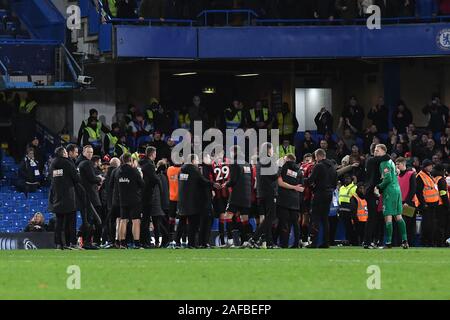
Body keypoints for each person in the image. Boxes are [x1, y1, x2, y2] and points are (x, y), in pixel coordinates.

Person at [178, 154, 218, 248]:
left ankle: (179, 242)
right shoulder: (194, 169)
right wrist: (213, 185)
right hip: (195, 201)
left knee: (184, 222)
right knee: (194, 223)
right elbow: (202, 180)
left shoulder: (182, 170)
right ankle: (195, 243)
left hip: (184, 200)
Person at [374, 144, 409, 249]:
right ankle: (405, 241)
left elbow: (388, 178)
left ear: (384, 151)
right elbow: (396, 173)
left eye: (377, 150)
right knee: (398, 216)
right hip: (397, 190)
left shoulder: (384, 163)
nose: (375, 152)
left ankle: (388, 242)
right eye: (375, 150)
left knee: (388, 216)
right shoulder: (391, 162)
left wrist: (378, 187)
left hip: (389, 191)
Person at [245, 143, 279, 249]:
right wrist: (280, 168)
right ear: (268, 150)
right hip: (269, 193)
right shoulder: (269, 160)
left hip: (261, 193)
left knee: (267, 218)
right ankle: (254, 238)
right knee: (270, 217)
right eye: (272, 149)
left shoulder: (260, 161)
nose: (272, 151)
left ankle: (269, 243)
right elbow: (274, 176)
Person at [48, 147, 80, 250]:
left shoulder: (52, 164)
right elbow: (76, 178)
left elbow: (51, 178)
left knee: (59, 222)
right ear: (63, 153)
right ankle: (72, 243)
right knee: (71, 222)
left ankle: (58, 244)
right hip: (68, 196)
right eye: (66, 152)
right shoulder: (67, 163)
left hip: (56, 196)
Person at [305, 148, 337, 248]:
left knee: (315, 218)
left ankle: (314, 243)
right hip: (329, 194)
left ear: (318, 156)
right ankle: (326, 242)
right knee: (325, 219)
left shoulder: (318, 166)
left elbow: (311, 180)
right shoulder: (332, 167)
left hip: (319, 193)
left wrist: (302, 180)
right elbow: (335, 183)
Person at [221, 146, 252, 248]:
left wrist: (226, 184)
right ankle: (246, 241)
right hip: (247, 196)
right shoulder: (247, 164)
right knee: (244, 219)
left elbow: (233, 180)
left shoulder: (235, 163)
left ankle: (230, 241)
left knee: (228, 216)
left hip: (236, 196)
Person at [77, 145, 104, 249]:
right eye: (88, 152)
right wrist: (99, 179)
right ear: (84, 152)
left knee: (89, 219)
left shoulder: (79, 163)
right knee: (92, 219)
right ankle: (87, 241)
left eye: (91, 152)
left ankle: (83, 238)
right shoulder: (87, 163)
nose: (90, 154)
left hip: (84, 195)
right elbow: (92, 178)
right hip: (90, 196)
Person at [116, 153, 145, 249]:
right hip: (134, 199)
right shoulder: (134, 171)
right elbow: (142, 184)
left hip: (122, 199)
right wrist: (141, 175)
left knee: (123, 220)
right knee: (135, 221)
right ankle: (136, 243)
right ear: (130, 160)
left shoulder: (118, 171)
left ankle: (122, 243)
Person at [277, 154, 304, 248]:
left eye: (284, 159)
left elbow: (280, 183)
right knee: (295, 223)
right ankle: (296, 244)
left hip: (284, 199)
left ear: (288, 159)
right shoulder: (299, 170)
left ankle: (284, 244)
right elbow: (301, 187)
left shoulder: (283, 168)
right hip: (295, 200)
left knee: (284, 222)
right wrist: (295, 189)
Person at [416, 159, 440, 247]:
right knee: (427, 224)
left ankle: (430, 241)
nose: (431, 167)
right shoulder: (420, 176)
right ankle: (425, 241)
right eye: (430, 166)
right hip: (426, 204)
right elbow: (418, 192)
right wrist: (423, 203)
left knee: (431, 224)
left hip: (433, 203)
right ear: (425, 166)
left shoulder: (429, 175)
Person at [139, 146, 160, 248]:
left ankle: (143, 241)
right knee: (146, 220)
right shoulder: (149, 165)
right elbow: (154, 179)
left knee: (144, 219)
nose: (156, 155)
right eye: (155, 153)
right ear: (152, 154)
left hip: (142, 194)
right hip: (147, 195)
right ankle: (145, 241)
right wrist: (159, 178)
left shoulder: (142, 163)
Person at [395, 157, 418, 246]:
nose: (396, 166)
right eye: (396, 164)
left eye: (398, 164)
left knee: (409, 224)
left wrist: (407, 202)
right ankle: (401, 242)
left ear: (403, 164)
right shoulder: (396, 176)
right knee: (399, 224)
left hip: (408, 202)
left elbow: (413, 189)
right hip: (399, 202)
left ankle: (410, 243)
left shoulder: (411, 174)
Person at [102, 157, 121, 249]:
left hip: (107, 202)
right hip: (116, 201)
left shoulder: (106, 174)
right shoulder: (117, 173)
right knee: (118, 221)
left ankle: (109, 240)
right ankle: (116, 241)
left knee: (110, 221)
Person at [151, 160, 171, 248]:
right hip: (167, 202)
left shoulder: (158, 176)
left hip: (160, 203)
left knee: (157, 223)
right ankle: (164, 241)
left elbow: (160, 191)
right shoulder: (167, 176)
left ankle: (161, 241)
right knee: (164, 223)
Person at [432, 163, 449, 247]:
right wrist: (448, 205)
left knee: (437, 225)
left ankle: (436, 242)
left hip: (435, 203)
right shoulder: (441, 180)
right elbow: (443, 193)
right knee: (442, 225)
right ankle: (441, 243)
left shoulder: (434, 178)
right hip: (442, 205)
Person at [166, 161, 183, 248]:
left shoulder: (169, 169)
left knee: (171, 220)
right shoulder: (182, 170)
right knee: (181, 220)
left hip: (172, 198)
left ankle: (171, 241)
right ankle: (180, 241)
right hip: (180, 199)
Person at [338, 174, 358, 245]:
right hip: (342, 209)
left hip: (350, 209)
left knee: (351, 226)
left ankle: (354, 241)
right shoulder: (341, 188)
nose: (346, 180)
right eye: (345, 179)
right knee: (346, 226)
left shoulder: (354, 187)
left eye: (348, 179)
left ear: (351, 180)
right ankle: (348, 240)